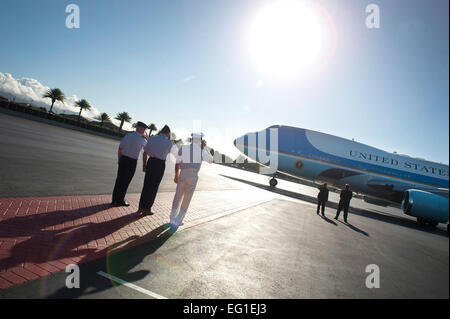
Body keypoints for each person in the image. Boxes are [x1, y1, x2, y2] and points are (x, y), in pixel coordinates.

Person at [170, 133, 213, 229]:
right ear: (200, 140)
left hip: (183, 173)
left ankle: (172, 218)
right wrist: (206, 147)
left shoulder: (183, 148)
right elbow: (211, 160)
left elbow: (177, 162)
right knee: (187, 199)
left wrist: (176, 174)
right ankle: (178, 220)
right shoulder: (202, 151)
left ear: (192, 139)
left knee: (177, 196)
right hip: (193, 175)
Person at [138, 125, 173, 215]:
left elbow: (145, 153)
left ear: (161, 131)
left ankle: (141, 207)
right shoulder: (169, 142)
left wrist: (144, 164)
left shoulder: (152, 138)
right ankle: (147, 208)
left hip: (151, 162)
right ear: (168, 133)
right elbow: (169, 152)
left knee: (146, 185)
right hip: (160, 164)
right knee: (154, 187)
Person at [112, 121, 148, 207]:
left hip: (123, 159)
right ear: (140, 128)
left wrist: (119, 159)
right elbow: (147, 150)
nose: (144, 131)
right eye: (144, 129)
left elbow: (120, 148)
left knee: (119, 180)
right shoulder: (142, 140)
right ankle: (120, 200)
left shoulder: (128, 136)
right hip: (132, 161)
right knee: (126, 181)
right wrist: (147, 138)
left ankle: (114, 199)